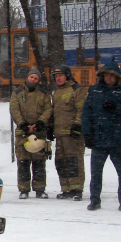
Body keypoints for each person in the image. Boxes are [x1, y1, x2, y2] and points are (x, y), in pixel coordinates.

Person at [82, 61, 121, 211]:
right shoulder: (94, 90)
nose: (108, 78)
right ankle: (95, 200)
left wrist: (117, 108)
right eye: (106, 75)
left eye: (111, 75)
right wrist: (87, 133)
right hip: (99, 138)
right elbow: (86, 113)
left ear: (117, 77)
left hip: (118, 139)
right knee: (96, 173)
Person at [9, 70, 52, 199]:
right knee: (23, 162)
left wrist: (40, 123)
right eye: (31, 77)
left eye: (36, 78)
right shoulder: (17, 93)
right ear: (27, 78)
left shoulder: (44, 94)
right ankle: (24, 189)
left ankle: (40, 189)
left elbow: (48, 109)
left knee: (39, 162)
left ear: (39, 80)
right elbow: (14, 109)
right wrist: (23, 124)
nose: (33, 80)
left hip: (39, 132)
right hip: (23, 133)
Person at [50, 65, 88, 201]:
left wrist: (78, 124)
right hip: (59, 134)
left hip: (73, 134)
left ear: (67, 75)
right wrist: (50, 128)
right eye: (56, 77)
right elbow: (54, 112)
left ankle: (77, 188)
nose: (58, 78)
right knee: (61, 162)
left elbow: (82, 109)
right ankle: (66, 189)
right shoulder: (57, 93)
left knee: (74, 161)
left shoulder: (77, 89)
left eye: (60, 75)